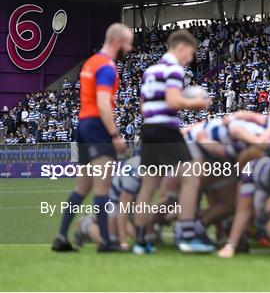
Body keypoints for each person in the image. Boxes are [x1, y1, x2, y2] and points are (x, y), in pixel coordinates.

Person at [52, 23, 133, 252]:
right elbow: (103, 104)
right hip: (98, 127)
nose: (130, 47)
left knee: (82, 187)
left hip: (83, 125)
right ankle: (106, 242)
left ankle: (61, 236)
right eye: (128, 42)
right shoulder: (107, 67)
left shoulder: (90, 63)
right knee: (102, 189)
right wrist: (115, 134)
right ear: (117, 41)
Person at [134, 29, 211, 254]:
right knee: (191, 178)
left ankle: (141, 241)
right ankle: (187, 235)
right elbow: (173, 100)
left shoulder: (150, 71)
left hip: (148, 129)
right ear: (181, 47)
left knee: (148, 186)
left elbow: (142, 106)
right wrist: (196, 103)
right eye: (190, 54)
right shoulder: (174, 69)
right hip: (166, 130)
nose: (190, 59)